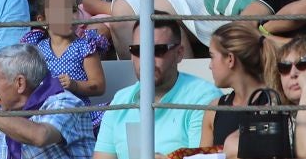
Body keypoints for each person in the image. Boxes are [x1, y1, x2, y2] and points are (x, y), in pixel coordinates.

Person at [90, 15, 219, 159]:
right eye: (138, 50)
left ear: (179, 54)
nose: (147, 60)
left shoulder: (204, 98)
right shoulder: (120, 100)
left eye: (158, 50)